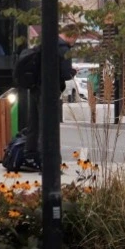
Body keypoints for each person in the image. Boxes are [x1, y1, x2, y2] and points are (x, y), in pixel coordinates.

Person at [21, 23, 80, 171]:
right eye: (75, 39)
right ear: (72, 35)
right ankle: (48, 162)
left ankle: (30, 156)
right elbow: (65, 74)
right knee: (47, 127)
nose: (74, 42)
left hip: (35, 88)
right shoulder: (63, 49)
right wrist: (73, 72)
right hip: (49, 91)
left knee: (34, 125)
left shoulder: (44, 44)